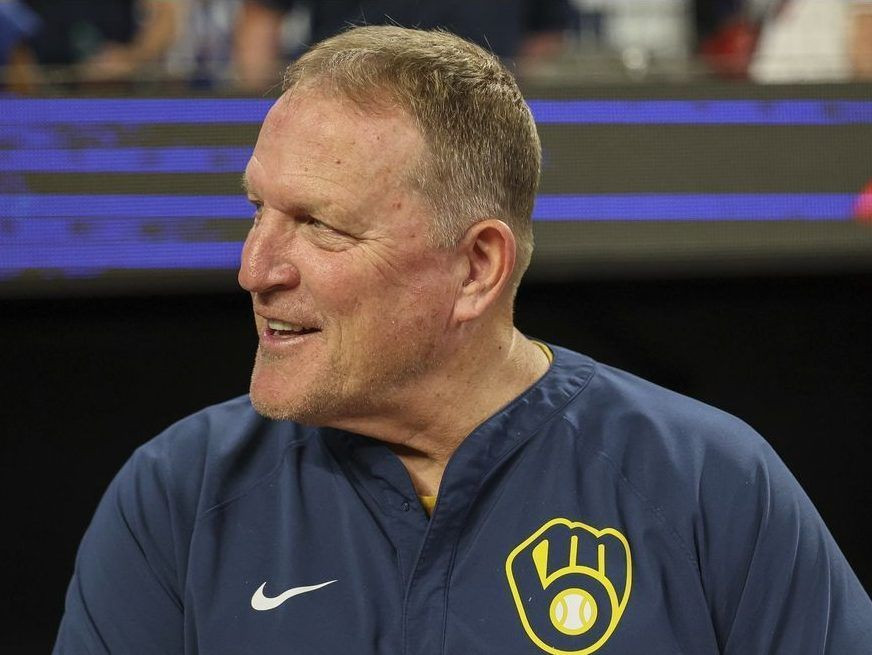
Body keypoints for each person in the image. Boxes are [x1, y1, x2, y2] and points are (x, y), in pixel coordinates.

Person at [53, 26, 872, 655]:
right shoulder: (178, 498)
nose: (255, 268)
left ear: (478, 267)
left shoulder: (707, 486)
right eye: (257, 210)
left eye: (320, 225)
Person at [232, 0, 573, 91]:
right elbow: (260, 20)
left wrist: (503, 100)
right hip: (348, 103)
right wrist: (264, 113)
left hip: (474, 113)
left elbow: (545, 35)